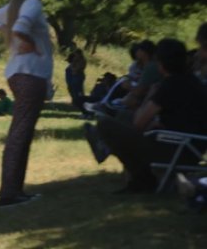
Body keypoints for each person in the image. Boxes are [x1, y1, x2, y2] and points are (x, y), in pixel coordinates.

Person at [84, 38, 207, 193]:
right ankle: (104, 145)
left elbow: (139, 123)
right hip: (191, 146)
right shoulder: (193, 82)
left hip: (175, 150)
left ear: (160, 63)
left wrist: (151, 94)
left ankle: (140, 177)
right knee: (123, 116)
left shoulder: (169, 85)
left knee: (105, 124)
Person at [0, 0, 54, 207]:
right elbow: (19, 28)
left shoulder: (18, 4)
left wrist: (14, 36)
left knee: (21, 133)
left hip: (20, 73)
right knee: (20, 134)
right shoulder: (33, 4)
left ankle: (14, 190)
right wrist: (25, 41)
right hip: (30, 75)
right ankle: (10, 193)